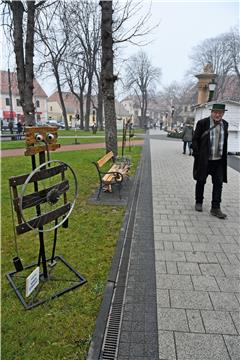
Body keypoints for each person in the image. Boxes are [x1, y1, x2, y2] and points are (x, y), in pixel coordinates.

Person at [192, 103, 228, 219]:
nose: (218, 114)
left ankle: (215, 208)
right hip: (205, 160)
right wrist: (197, 156)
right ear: (211, 112)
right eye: (215, 112)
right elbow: (195, 140)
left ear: (223, 113)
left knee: (218, 184)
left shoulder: (225, 124)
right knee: (201, 181)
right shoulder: (203, 123)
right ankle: (199, 202)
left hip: (218, 161)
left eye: (220, 113)